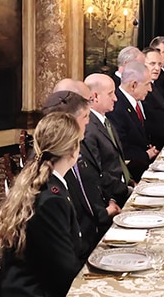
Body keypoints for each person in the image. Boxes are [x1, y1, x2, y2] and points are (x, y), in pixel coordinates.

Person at [0, 112, 85, 297]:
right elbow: (64, 274)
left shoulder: (43, 182)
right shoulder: (51, 199)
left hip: (35, 293)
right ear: (72, 151)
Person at [42, 88, 118, 257]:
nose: (88, 122)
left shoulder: (67, 158)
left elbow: (92, 187)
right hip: (78, 253)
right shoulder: (52, 175)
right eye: (85, 117)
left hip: (88, 237)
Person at [82, 73, 132, 206]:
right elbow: (97, 174)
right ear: (95, 97)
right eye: (110, 94)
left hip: (124, 185)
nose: (115, 98)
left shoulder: (104, 120)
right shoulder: (88, 129)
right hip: (112, 197)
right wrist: (126, 191)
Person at [108, 60, 159, 181]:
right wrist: (146, 155)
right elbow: (122, 149)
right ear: (133, 85)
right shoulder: (116, 108)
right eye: (147, 84)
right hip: (133, 174)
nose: (150, 89)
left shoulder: (133, 102)